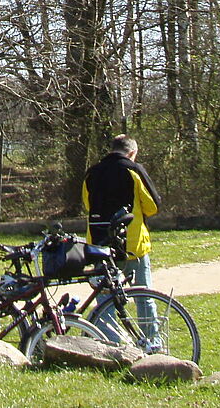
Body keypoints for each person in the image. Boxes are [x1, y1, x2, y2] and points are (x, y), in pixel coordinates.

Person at [83, 134, 161, 333]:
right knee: (143, 296)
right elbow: (152, 206)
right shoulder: (134, 170)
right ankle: (151, 342)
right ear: (132, 152)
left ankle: (110, 343)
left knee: (105, 301)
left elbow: (87, 204)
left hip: (100, 245)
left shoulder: (92, 173)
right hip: (132, 245)